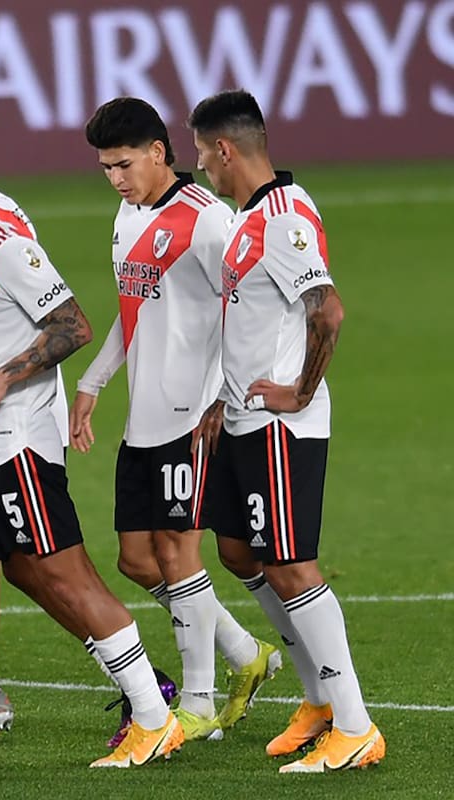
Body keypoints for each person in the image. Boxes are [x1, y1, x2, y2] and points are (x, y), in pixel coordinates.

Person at [0, 150, 184, 768]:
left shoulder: (8, 248)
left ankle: (154, 717)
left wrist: (0, 382)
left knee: (70, 583)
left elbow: (73, 326)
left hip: (17, 451)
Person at [71, 97, 281, 742]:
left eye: (124, 164)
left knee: (177, 552)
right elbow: (132, 308)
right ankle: (246, 653)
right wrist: (92, 382)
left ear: (160, 152)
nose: (116, 178)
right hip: (146, 414)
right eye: (106, 168)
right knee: (138, 558)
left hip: (194, 413)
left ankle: (197, 703)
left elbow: (247, 309)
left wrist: (224, 392)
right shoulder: (127, 214)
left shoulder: (209, 221)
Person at [188, 90, 384, 773]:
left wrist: (299, 391)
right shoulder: (249, 220)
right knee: (241, 554)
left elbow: (326, 312)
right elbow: (252, 325)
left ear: (224, 149)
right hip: (241, 419)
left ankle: (355, 725)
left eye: (201, 154)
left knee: (293, 565)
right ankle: (318, 701)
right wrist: (220, 399)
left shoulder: (283, 215)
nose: (201, 169)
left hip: (278, 427)